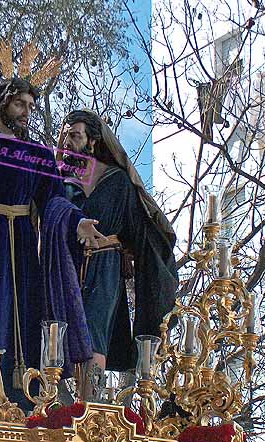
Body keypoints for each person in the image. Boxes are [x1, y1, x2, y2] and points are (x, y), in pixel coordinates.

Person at [0, 72, 101, 407]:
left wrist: (77, 221)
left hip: (22, 246)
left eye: (30, 105)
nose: (26, 111)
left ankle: (19, 394)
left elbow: (54, 200)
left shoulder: (36, 153)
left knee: (21, 315)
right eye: (20, 103)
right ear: (2, 103)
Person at [48, 109, 178, 401]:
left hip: (106, 265)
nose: (67, 141)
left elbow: (138, 226)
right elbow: (42, 216)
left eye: (75, 135)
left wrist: (150, 252)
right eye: (65, 134)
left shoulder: (117, 180)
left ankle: (89, 403)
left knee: (95, 330)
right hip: (67, 264)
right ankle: (59, 403)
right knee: (60, 331)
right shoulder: (57, 180)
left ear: (92, 140)